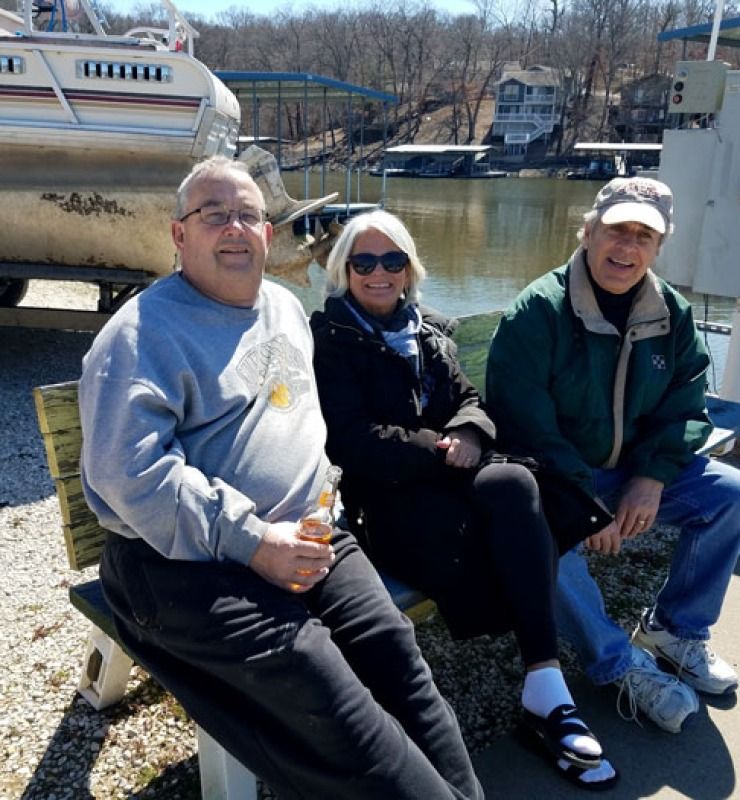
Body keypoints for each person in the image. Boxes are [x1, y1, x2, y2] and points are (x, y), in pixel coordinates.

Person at [78, 155, 485, 800]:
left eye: (249, 215)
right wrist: (254, 542)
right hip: (183, 561)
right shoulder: (139, 337)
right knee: (324, 689)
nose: (235, 228)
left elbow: (300, 424)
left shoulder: (285, 310)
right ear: (179, 235)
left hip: (312, 535)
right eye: (214, 215)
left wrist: (325, 506)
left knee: (395, 652)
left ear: (269, 235)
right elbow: (131, 475)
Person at [310, 209, 618, 790]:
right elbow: (349, 438)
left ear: (409, 269)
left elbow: (469, 398)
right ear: (343, 270)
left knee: (516, 484)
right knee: (489, 526)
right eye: (364, 262)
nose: (380, 273)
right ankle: (526, 691)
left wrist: (472, 435)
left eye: (392, 260)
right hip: (387, 502)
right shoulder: (329, 341)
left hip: (447, 473)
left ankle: (544, 682)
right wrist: (439, 448)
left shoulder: (426, 329)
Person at [487, 176, 740, 736]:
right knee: (541, 535)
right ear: (587, 231)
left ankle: (675, 629)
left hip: (630, 469)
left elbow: (685, 401)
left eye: (643, 237)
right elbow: (525, 427)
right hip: (554, 478)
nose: (626, 248)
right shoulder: (538, 311)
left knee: (729, 495)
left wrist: (651, 477)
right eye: (615, 230)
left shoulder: (668, 311)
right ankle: (615, 661)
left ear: (658, 247)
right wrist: (584, 503)